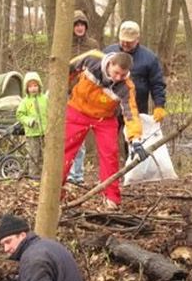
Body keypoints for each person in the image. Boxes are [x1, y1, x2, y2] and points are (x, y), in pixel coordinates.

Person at [63, 50, 147, 210]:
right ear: (110, 64)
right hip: (78, 109)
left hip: (105, 119)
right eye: (116, 73)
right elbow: (66, 69)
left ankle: (111, 198)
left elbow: (131, 113)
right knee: (65, 150)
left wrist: (135, 139)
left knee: (110, 155)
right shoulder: (91, 59)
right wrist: (60, 91)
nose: (117, 78)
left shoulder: (126, 86)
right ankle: (55, 192)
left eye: (123, 75)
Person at [104, 20, 167, 121]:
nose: (125, 43)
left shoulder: (149, 58)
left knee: (135, 135)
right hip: (109, 108)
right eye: (123, 40)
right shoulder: (108, 53)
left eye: (129, 41)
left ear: (137, 39)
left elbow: (157, 84)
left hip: (137, 109)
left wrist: (159, 105)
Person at [69, 11, 101, 186]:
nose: (79, 27)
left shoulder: (93, 45)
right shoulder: (65, 44)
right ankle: (69, 174)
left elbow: (99, 67)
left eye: (82, 24)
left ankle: (78, 175)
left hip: (88, 94)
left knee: (81, 136)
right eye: (76, 24)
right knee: (70, 137)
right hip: (70, 94)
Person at [15, 72, 47, 178]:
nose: (33, 88)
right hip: (32, 133)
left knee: (44, 155)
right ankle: (33, 176)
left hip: (45, 132)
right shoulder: (25, 102)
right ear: (26, 88)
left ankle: (43, 176)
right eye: (30, 86)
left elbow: (50, 112)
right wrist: (29, 121)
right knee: (34, 155)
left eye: (35, 85)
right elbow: (20, 114)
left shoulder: (45, 99)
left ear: (39, 86)